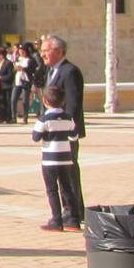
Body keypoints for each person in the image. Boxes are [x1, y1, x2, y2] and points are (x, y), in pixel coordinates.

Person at [40, 33, 85, 226]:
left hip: (66, 134)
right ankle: (69, 211)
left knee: (69, 173)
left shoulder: (69, 71)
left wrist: (64, 128)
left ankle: (74, 212)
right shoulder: (52, 71)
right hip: (55, 134)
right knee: (61, 174)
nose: (42, 54)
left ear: (59, 51)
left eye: (45, 50)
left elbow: (73, 105)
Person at [32, 84, 80, 232]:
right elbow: (74, 135)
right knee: (67, 188)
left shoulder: (44, 119)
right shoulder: (68, 117)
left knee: (52, 190)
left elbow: (35, 137)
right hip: (66, 158)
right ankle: (73, 219)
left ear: (45, 101)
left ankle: (56, 220)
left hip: (50, 159)